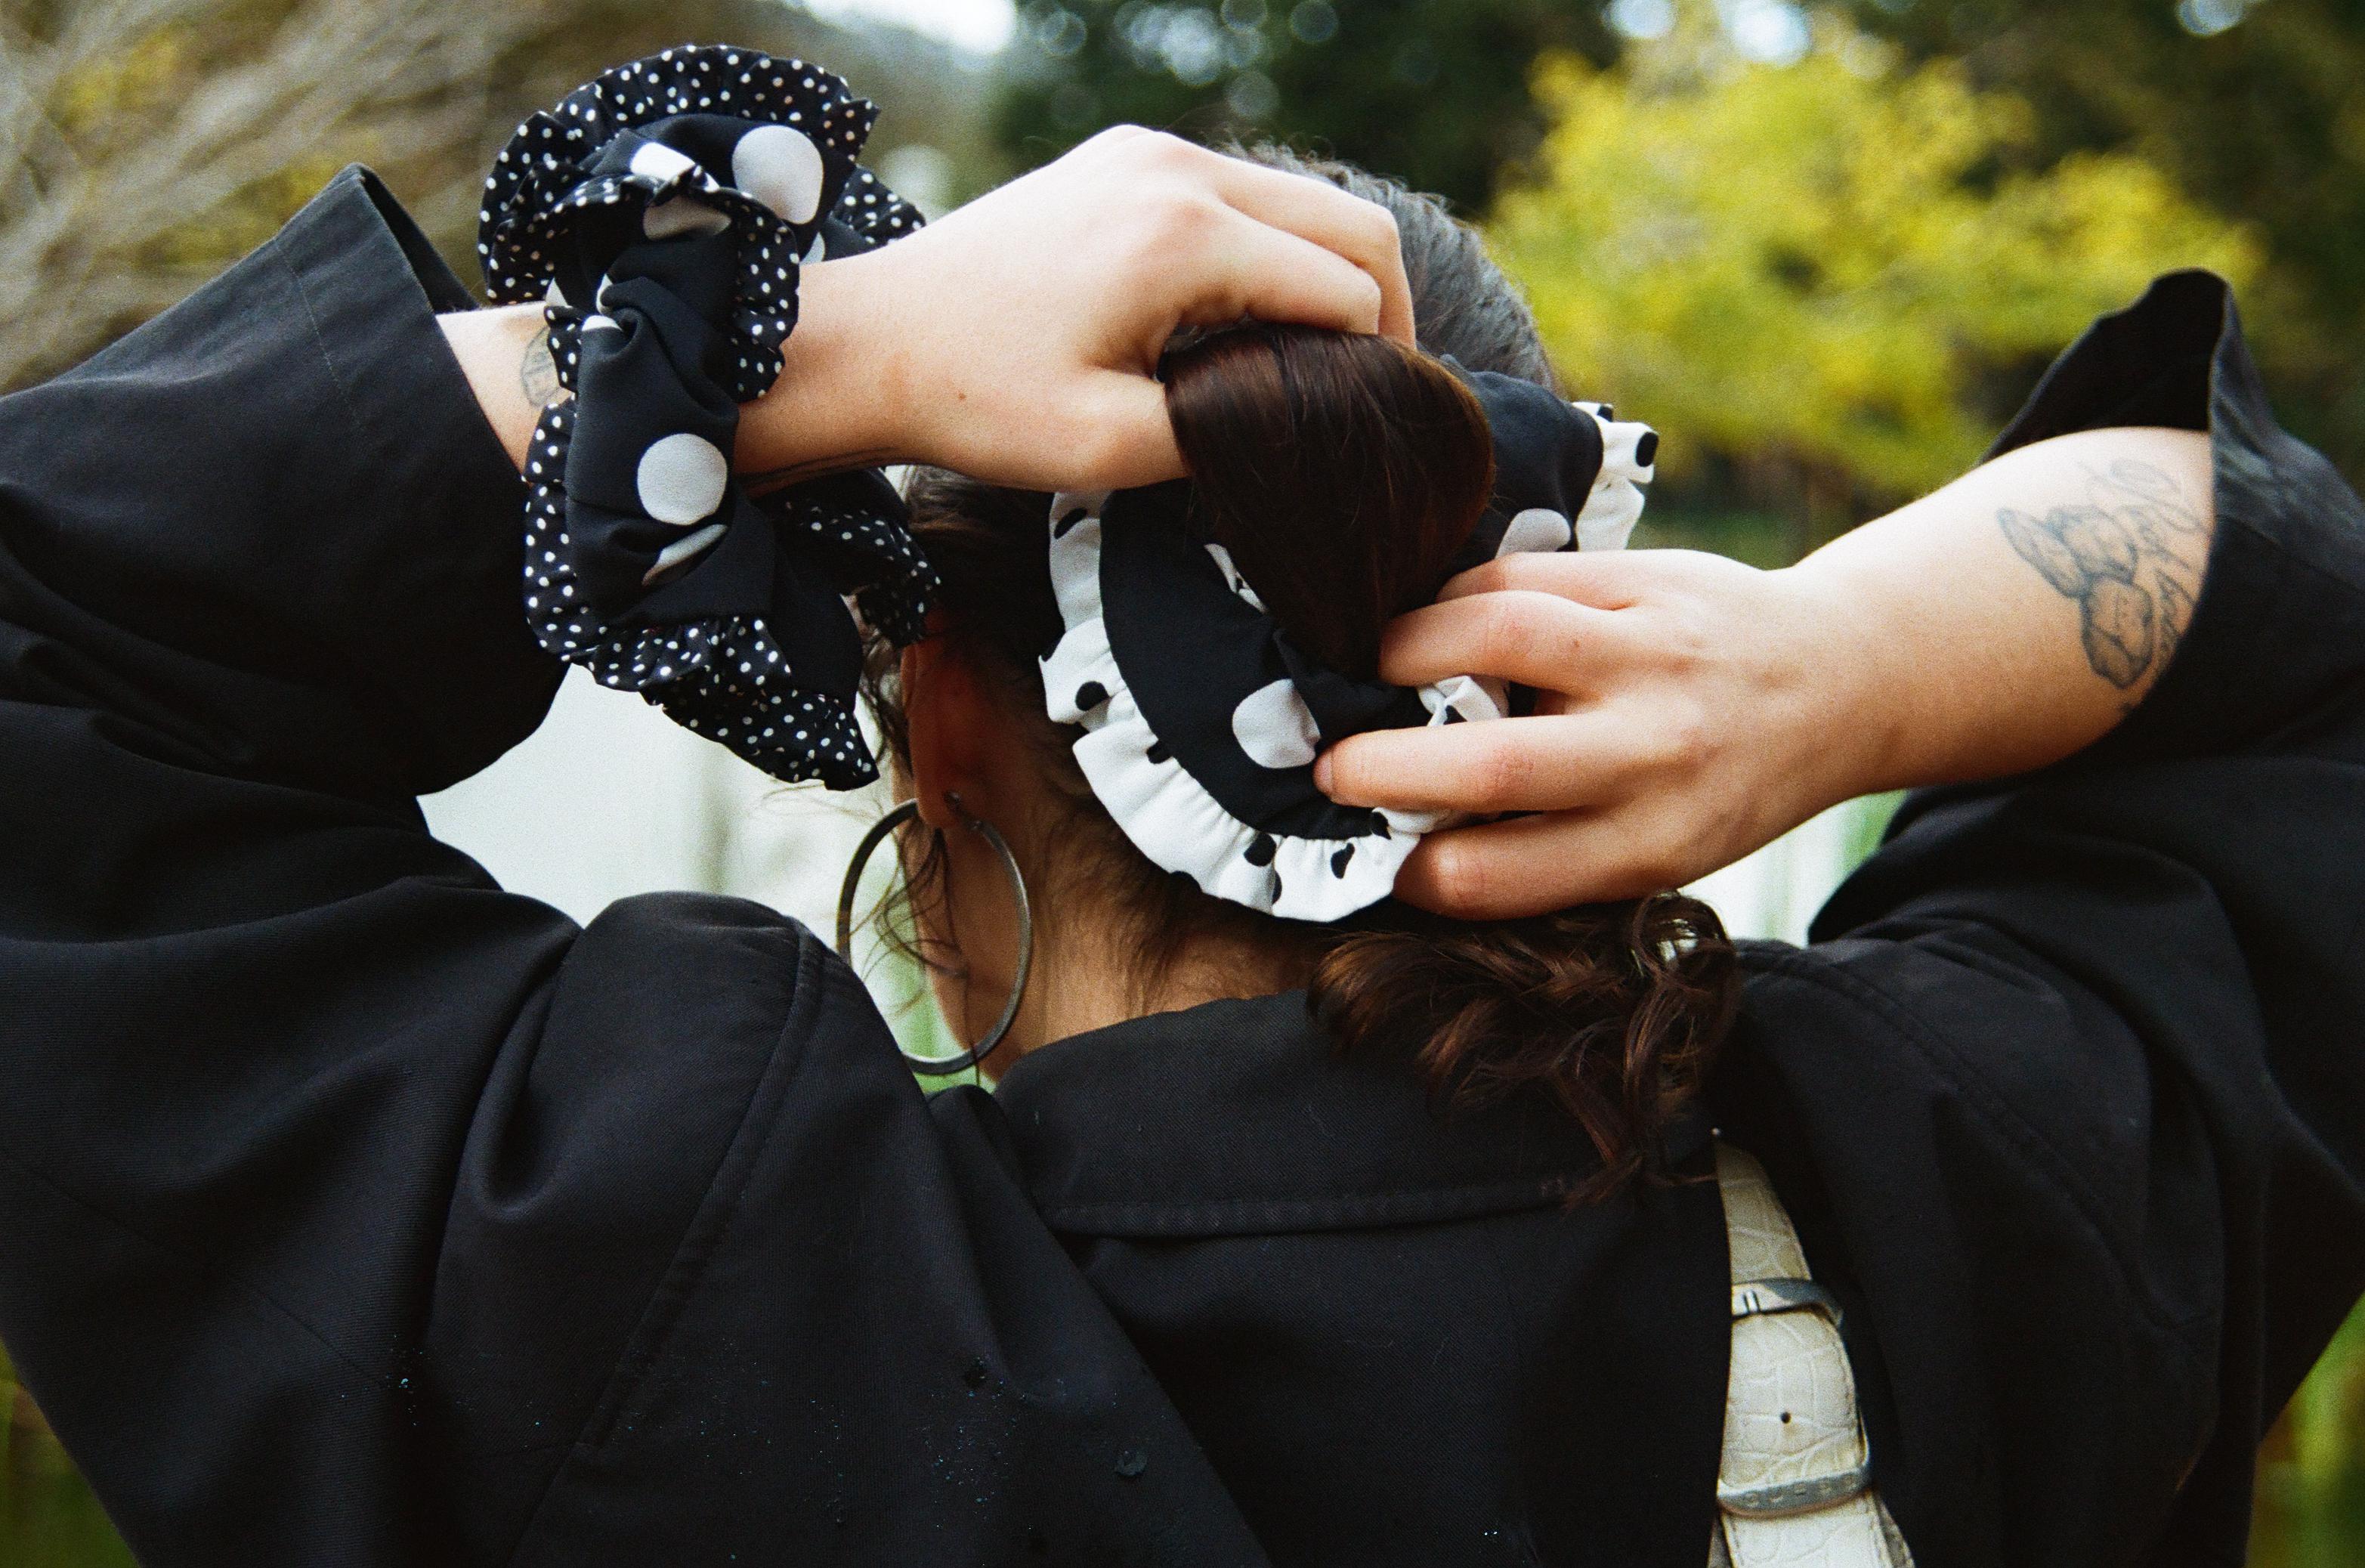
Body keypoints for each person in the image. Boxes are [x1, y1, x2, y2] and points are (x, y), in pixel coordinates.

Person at [1, 43, 2360, 1568]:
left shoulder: (620, 1279)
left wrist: (770, 353)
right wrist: (1843, 661)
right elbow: (2304, 642)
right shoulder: (1981, 1185)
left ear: (937, 726)